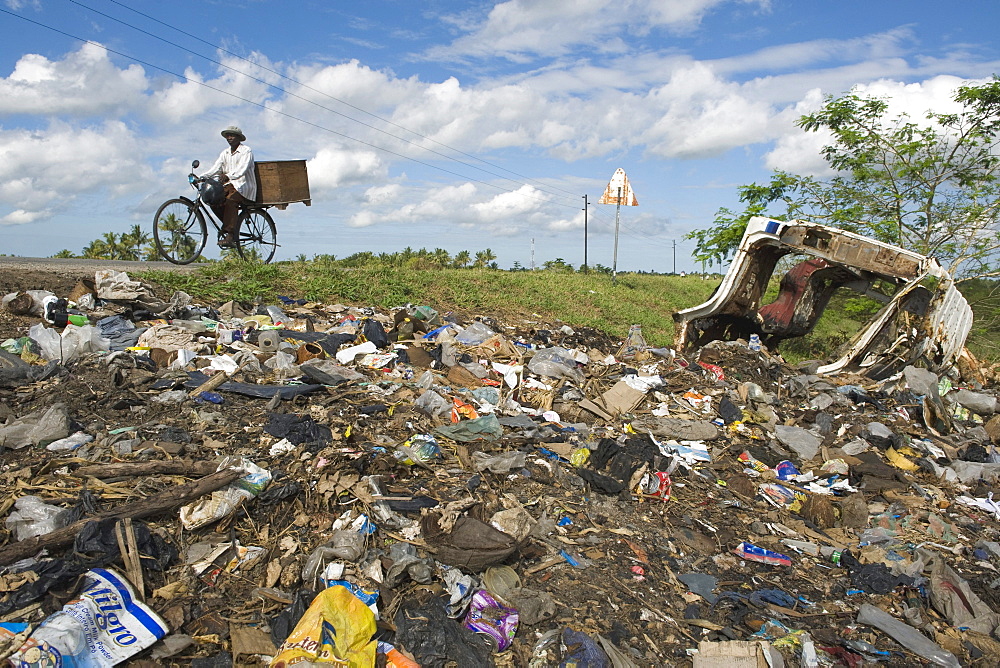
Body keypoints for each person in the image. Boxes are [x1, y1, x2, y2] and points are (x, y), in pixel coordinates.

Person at [201, 125, 256, 248]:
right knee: (213, 200)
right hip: (229, 185)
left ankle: (230, 234)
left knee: (230, 200)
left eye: (232, 135)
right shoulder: (224, 153)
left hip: (244, 186)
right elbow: (215, 169)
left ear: (239, 138)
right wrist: (201, 177)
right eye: (228, 135)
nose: (229, 137)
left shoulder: (246, 151)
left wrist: (228, 176)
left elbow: (242, 169)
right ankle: (230, 225)